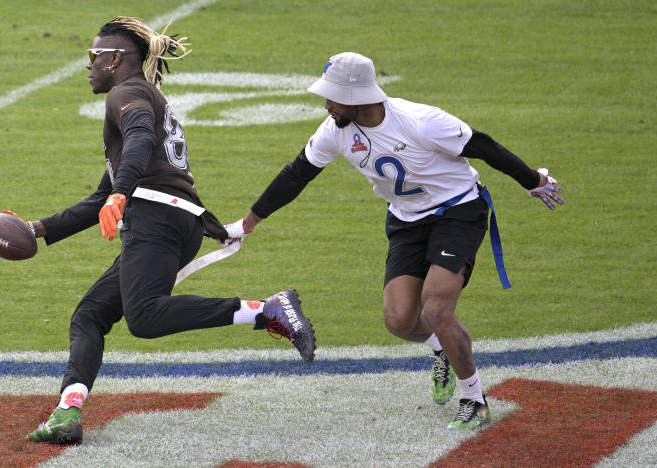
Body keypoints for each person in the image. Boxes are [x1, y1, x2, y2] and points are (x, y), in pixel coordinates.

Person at [225, 52, 563, 430]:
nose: (326, 104)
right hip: (406, 221)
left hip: (457, 212)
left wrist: (533, 181)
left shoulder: (420, 122)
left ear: (358, 96)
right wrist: (247, 223)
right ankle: (444, 352)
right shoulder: (335, 130)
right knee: (400, 321)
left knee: (436, 308)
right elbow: (297, 174)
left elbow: (484, 146)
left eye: (333, 96)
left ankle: (474, 399)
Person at [22, 17, 316, 445]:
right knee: (90, 314)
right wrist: (38, 229)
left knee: (144, 318)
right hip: (176, 218)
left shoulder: (127, 94)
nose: (88, 65)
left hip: (155, 219)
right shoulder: (146, 94)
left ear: (115, 58)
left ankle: (267, 310)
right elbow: (102, 194)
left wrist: (121, 196)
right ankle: (68, 410)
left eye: (93, 56)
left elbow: (138, 141)